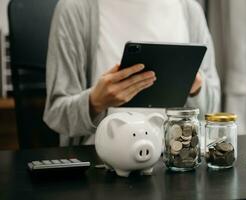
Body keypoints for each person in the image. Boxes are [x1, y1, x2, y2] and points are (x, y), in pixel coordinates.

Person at [43, 0, 221, 146]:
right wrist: (94, 103)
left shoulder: (190, 10)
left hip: (178, 159)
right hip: (101, 164)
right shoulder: (75, 9)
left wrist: (196, 88)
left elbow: (212, 108)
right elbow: (56, 114)